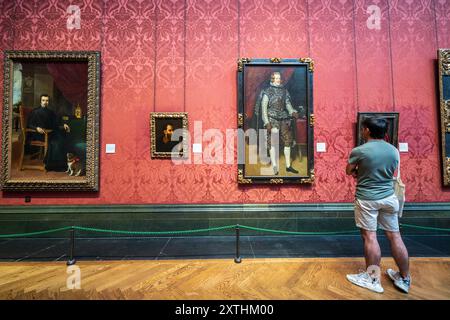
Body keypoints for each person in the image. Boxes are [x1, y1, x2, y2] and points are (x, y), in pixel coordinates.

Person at [345, 117, 411, 294]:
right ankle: (404, 278)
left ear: (367, 130)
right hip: (389, 198)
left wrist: (360, 171)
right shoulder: (393, 151)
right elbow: (389, 171)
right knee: (395, 237)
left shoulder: (360, 150)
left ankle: (373, 279)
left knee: (370, 237)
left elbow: (349, 170)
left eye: (363, 128)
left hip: (367, 199)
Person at [254, 71, 300, 175]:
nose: (278, 80)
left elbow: (287, 104)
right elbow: (264, 109)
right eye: (276, 78)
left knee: (288, 141)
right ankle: (275, 166)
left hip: (284, 119)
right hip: (272, 119)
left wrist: (292, 111)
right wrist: (266, 122)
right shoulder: (267, 91)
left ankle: (288, 166)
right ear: (272, 79)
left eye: (279, 78)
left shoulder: (284, 91)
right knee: (273, 142)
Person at [26, 94, 70, 171]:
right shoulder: (35, 111)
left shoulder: (50, 112)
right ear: (40, 101)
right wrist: (36, 128)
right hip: (38, 134)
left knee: (60, 138)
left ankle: (58, 165)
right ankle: (52, 165)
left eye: (47, 100)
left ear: (48, 102)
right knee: (56, 141)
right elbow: (29, 124)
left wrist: (63, 125)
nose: (45, 102)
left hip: (48, 133)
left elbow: (55, 123)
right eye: (43, 100)